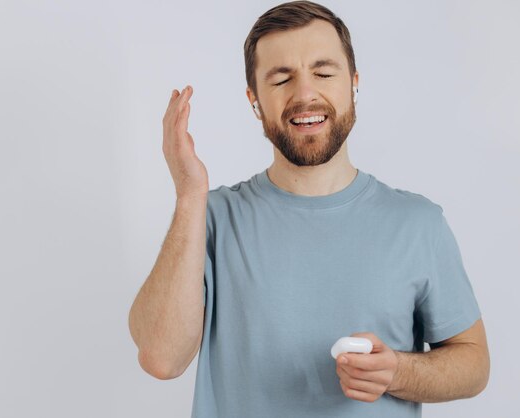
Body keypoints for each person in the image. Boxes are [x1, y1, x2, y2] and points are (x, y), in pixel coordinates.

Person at [128, 1, 490, 417]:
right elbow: (160, 357)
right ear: (254, 100)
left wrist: (398, 372)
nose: (305, 94)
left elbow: (474, 363)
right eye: (281, 79)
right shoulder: (211, 218)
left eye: (323, 73)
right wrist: (189, 194)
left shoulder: (418, 224)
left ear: (353, 82)